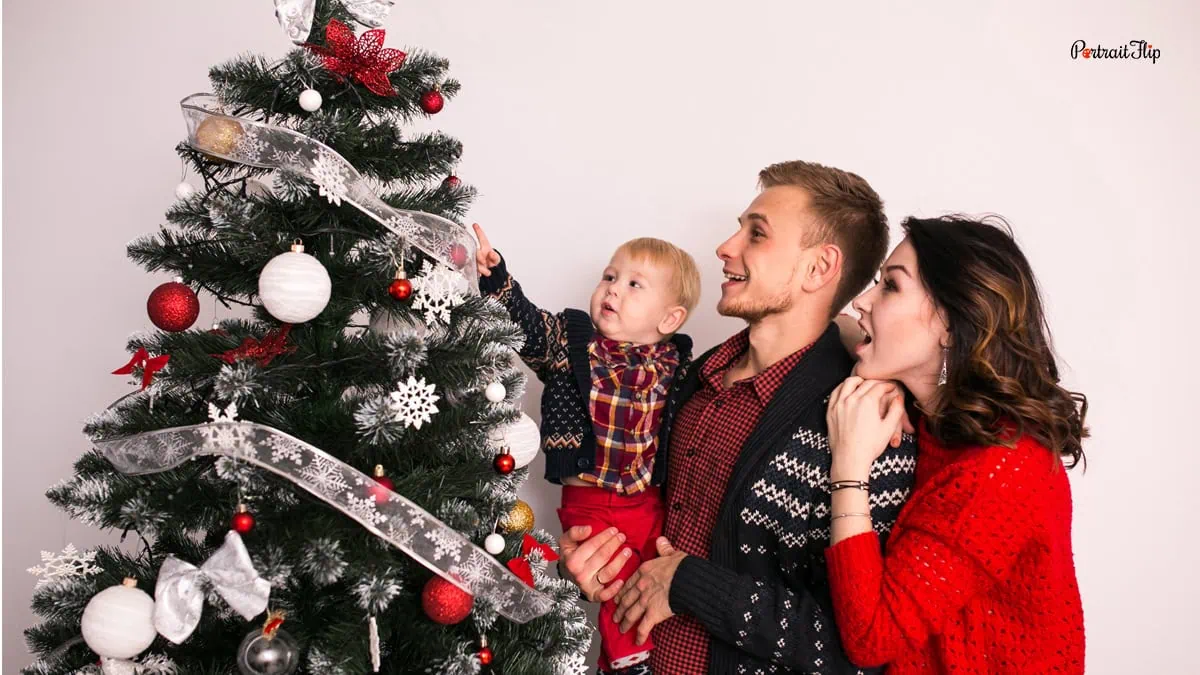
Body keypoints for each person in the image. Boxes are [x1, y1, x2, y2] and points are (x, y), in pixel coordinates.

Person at [558, 160, 918, 674]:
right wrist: (598, 563)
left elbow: (856, 650)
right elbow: (641, 531)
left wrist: (688, 585)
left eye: (757, 234)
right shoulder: (691, 380)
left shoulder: (872, 423)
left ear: (819, 268)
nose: (726, 248)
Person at [824, 215, 1087, 673]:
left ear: (950, 323)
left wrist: (848, 466)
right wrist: (886, 379)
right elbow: (844, 328)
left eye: (890, 286)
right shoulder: (945, 416)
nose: (862, 301)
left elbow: (871, 636)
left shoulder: (1000, 470)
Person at [473, 225, 701, 673]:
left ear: (669, 320)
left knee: (654, 580)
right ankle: (624, 663)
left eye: (634, 285)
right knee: (617, 581)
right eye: (610, 277)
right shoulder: (573, 343)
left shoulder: (678, 364)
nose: (613, 290)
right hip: (591, 504)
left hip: (649, 502)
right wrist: (497, 279)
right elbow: (527, 325)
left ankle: (647, 657)